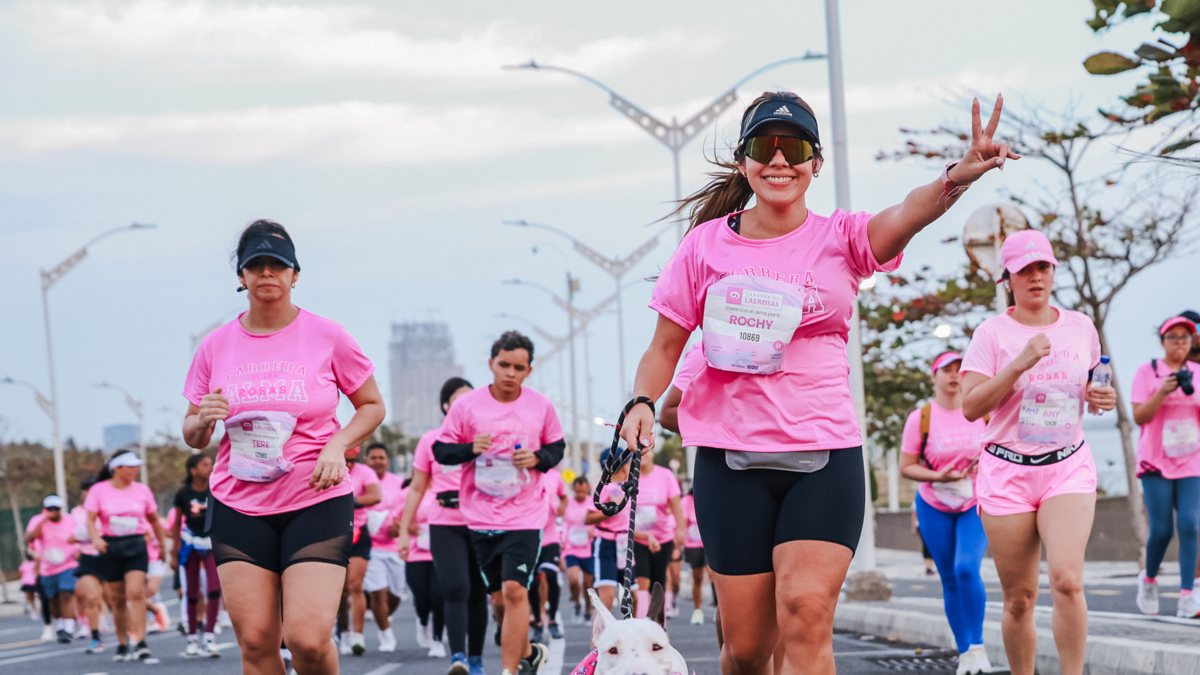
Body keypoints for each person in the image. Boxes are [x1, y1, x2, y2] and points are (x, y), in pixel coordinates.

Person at [619, 90, 1017, 675]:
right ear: (744, 161)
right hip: (731, 462)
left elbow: (907, 213)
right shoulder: (703, 246)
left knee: (806, 613)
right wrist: (641, 403)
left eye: (795, 148)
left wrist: (956, 176)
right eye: (765, 147)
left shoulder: (841, 237)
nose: (780, 160)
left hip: (824, 457)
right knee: (747, 650)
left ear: (816, 163)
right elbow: (663, 347)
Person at [182, 219, 385, 675]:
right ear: (242, 276)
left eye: (277, 265)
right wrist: (203, 418)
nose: (267, 274)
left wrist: (338, 444)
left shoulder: (328, 335)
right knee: (256, 642)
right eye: (256, 265)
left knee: (307, 640)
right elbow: (193, 433)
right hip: (238, 503)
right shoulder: (215, 346)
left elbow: (372, 406)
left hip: (314, 498)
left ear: (295, 274)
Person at [960, 229, 1116, 675]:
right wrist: (1019, 363)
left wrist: (1102, 397)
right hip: (1007, 472)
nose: (1035, 277)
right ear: (1006, 279)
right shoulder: (991, 334)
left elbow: (1095, 385)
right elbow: (971, 406)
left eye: (1042, 267)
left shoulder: (1080, 327)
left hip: (1067, 466)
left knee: (1067, 581)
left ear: (1053, 271)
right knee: (1020, 598)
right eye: (1024, 269)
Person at [433, 331, 564, 675]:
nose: (510, 373)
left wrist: (538, 458)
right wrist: (470, 449)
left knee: (515, 591)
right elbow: (441, 451)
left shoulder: (541, 405)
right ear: (492, 364)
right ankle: (529, 653)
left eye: (518, 367)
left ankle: (508, 670)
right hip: (481, 515)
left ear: (528, 370)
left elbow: (557, 448)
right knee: (499, 601)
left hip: (526, 514)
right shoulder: (467, 406)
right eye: (504, 365)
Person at [899, 352, 991, 674]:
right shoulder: (921, 418)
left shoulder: (982, 412)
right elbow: (906, 466)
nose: (954, 375)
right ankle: (965, 653)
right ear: (933, 376)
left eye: (959, 370)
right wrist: (939, 476)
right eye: (946, 370)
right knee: (949, 577)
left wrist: (987, 462)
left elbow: (1003, 451)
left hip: (974, 503)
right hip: (933, 505)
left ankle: (978, 647)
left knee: (966, 568)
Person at [400, 376, 487, 675]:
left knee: (477, 591)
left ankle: (476, 661)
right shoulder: (431, 440)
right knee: (455, 587)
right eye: (459, 399)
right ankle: (458, 658)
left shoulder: (485, 438)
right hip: (444, 524)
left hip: (481, 522)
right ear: (446, 405)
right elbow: (416, 487)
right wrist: (404, 529)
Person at [1131, 316, 1200, 618]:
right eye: (1173, 337)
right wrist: (1162, 391)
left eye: (1185, 337)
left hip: (1192, 460)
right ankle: (1148, 580)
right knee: (1161, 530)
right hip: (1155, 461)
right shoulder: (1147, 372)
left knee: (1190, 525)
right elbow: (1140, 417)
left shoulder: (1197, 372)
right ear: (1162, 341)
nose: (1179, 342)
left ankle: (1187, 596)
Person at [85, 451, 169, 661]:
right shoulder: (99, 490)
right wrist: (96, 539)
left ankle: (140, 641)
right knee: (117, 599)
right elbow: (90, 519)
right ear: (117, 468)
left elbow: (154, 519)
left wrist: (162, 546)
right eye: (130, 467)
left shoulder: (142, 490)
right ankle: (122, 643)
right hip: (111, 546)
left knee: (135, 592)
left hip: (136, 544)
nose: (134, 470)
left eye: (136, 467)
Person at [172, 453, 221, 657]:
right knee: (192, 591)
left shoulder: (217, 488)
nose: (210, 467)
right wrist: (174, 552)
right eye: (205, 464)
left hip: (212, 543)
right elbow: (176, 523)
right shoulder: (183, 493)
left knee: (214, 588)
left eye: (211, 464)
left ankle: (209, 636)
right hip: (191, 542)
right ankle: (192, 637)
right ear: (193, 470)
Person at [363, 442, 407, 652]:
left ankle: (383, 616)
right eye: (373, 458)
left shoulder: (398, 482)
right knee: (377, 592)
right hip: (370, 546)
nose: (378, 461)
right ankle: (386, 635)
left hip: (394, 546)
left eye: (381, 457)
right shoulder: (361, 480)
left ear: (387, 461)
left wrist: (399, 525)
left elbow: (407, 508)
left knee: (396, 592)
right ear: (367, 460)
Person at [338, 445, 382, 655]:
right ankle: (344, 631)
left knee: (356, 585)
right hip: (334, 533)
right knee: (341, 590)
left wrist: (351, 501)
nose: (348, 464)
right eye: (345, 459)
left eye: (352, 460)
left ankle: (358, 635)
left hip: (358, 531)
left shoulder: (365, 472)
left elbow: (375, 496)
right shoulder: (329, 466)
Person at [631, 452, 685, 618]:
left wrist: (681, 530)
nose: (643, 454)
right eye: (639, 450)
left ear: (652, 453)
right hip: (637, 538)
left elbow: (676, 506)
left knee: (658, 583)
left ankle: (658, 624)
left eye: (646, 450)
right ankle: (641, 622)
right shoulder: (628, 475)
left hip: (663, 538)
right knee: (642, 581)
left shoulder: (665, 475)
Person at [402, 483, 448, 657]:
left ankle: (437, 640)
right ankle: (423, 621)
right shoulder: (409, 493)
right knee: (422, 598)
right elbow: (395, 518)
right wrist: (406, 527)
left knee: (438, 596)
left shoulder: (446, 489)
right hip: (416, 553)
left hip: (442, 552)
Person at [27, 494, 79, 643]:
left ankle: (68, 629)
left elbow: (80, 536)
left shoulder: (70, 520)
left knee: (66, 594)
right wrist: (43, 521)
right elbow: (30, 539)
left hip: (68, 564)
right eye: (50, 508)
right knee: (53, 600)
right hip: (48, 567)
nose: (53, 511)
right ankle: (60, 624)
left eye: (56, 508)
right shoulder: (37, 521)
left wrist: (77, 547)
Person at [586, 448, 632, 611]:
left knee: (632, 596)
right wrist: (610, 510)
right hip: (606, 544)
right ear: (624, 466)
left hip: (625, 544)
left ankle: (632, 628)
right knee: (606, 598)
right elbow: (588, 518)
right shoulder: (604, 488)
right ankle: (598, 629)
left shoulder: (627, 487)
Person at [527, 465, 567, 642]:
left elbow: (564, 497)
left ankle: (552, 620)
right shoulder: (525, 473)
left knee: (551, 575)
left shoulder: (555, 476)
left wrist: (562, 507)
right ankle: (537, 621)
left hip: (551, 535)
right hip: (530, 535)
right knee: (533, 582)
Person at [70, 476, 107, 652]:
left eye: (92, 489)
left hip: (108, 555)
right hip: (87, 556)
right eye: (86, 489)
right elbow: (71, 534)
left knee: (114, 599)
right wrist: (76, 543)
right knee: (91, 597)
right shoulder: (76, 512)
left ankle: (131, 636)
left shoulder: (108, 507)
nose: (89, 492)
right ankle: (95, 638)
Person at [561, 476, 595, 624]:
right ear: (573, 489)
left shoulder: (594, 502)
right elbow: (563, 524)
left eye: (583, 491)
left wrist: (593, 532)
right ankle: (576, 603)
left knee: (588, 584)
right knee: (573, 580)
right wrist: (562, 540)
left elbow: (600, 521)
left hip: (589, 549)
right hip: (571, 548)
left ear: (588, 489)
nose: (580, 494)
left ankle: (588, 609)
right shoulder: (568, 503)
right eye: (578, 491)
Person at [679, 488, 707, 625]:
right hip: (693, 545)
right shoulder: (686, 501)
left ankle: (721, 609)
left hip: (709, 544)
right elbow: (682, 523)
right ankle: (697, 610)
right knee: (698, 577)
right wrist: (679, 545)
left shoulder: (710, 497)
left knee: (714, 575)